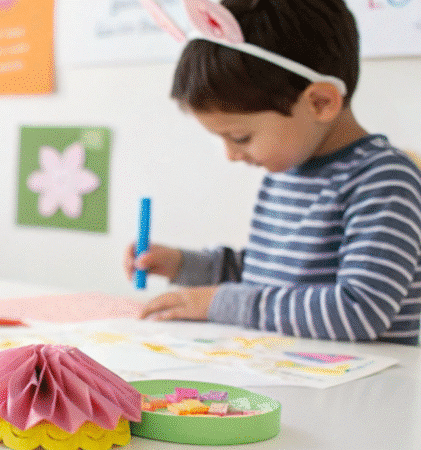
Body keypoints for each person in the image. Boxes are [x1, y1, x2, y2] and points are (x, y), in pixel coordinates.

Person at [128, 0, 421, 345]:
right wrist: (183, 265)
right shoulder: (285, 172)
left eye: (240, 137)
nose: (231, 155)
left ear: (321, 103)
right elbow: (266, 278)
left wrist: (217, 303)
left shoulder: (385, 180)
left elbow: (357, 311)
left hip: (366, 388)